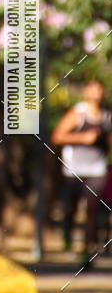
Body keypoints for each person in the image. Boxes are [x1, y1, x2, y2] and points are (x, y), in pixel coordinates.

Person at [51, 79, 111, 268]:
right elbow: (57, 136)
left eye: (99, 90)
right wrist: (83, 138)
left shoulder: (107, 116)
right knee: (72, 208)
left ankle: (87, 252)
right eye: (93, 90)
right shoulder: (78, 113)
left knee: (92, 210)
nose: (97, 93)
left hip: (96, 169)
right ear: (86, 92)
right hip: (74, 170)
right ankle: (67, 235)